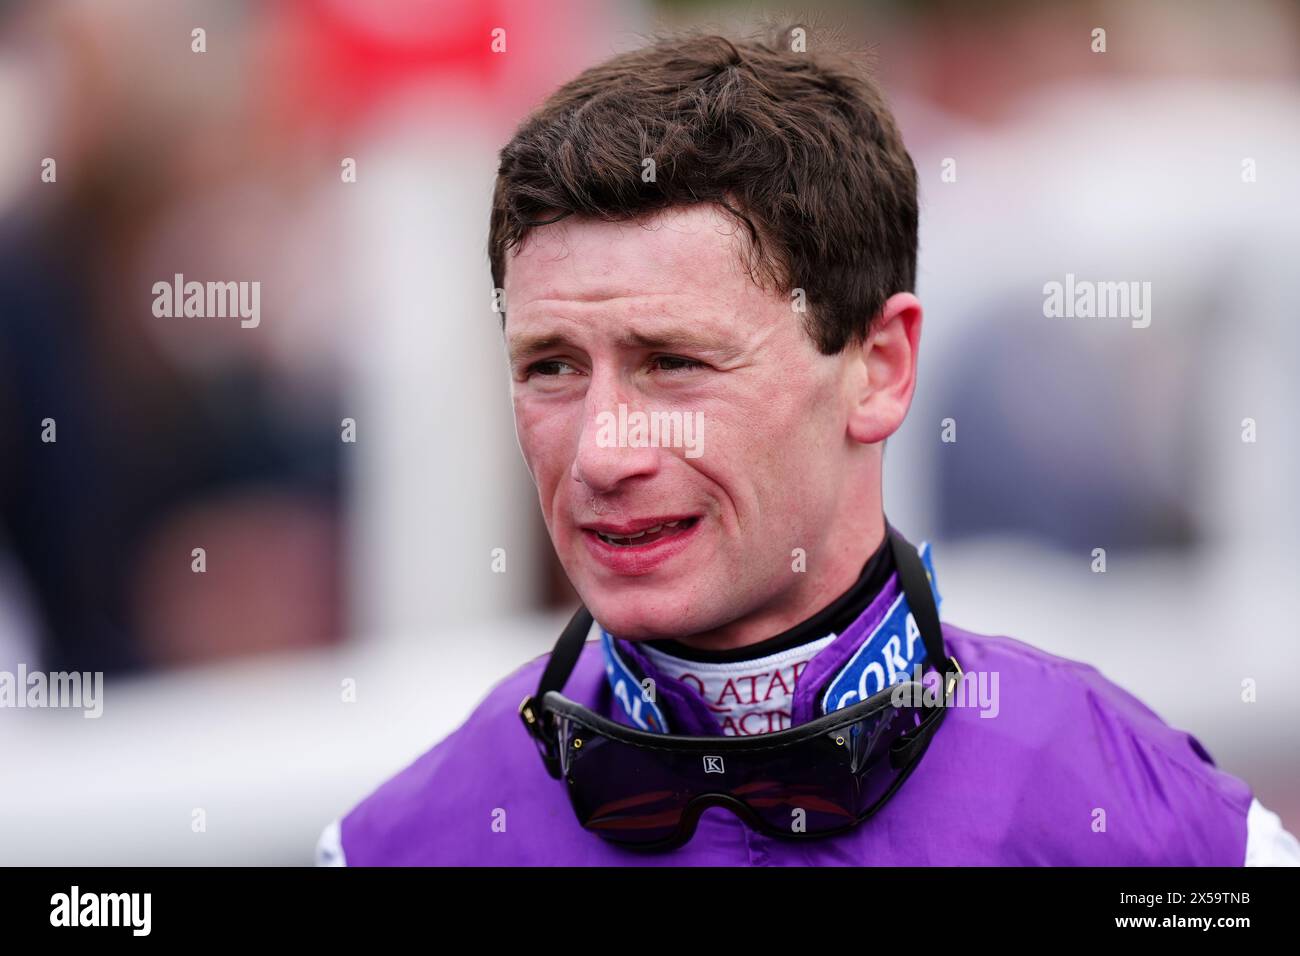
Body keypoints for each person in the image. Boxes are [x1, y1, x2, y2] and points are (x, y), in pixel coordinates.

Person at [317, 26, 1298, 866]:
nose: (602, 455)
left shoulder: (1144, 824)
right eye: (552, 367)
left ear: (878, 366)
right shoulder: (405, 842)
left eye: (673, 361)